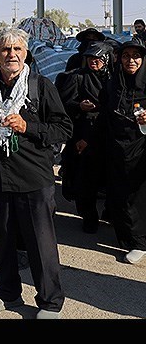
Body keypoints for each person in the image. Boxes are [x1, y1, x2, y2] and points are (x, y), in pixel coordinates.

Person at [0, 27, 71, 318]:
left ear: (25, 52)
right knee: (2, 239)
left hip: (33, 178)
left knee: (40, 242)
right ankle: (7, 293)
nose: (11, 54)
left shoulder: (40, 86)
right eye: (5, 49)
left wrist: (30, 128)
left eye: (17, 49)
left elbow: (63, 128)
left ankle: (50, 301)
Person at [95, 39, 146, 264]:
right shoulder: (113, 83)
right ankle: (127, 238)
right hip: (116, 148)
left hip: (142, 149)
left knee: (139, 196)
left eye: (136, 56)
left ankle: (140, 242)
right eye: (126, 56)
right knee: (119, 195)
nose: (131, 60)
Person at [56, 42, 110, 233]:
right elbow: (64, 104)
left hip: (108, 135)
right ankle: (89, 216)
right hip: (83, 135)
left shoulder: (113, 78)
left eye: (98, 59)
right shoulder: (77, 77)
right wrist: (79, 106)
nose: (94, 62)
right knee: (85, 180)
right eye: (90, 59)